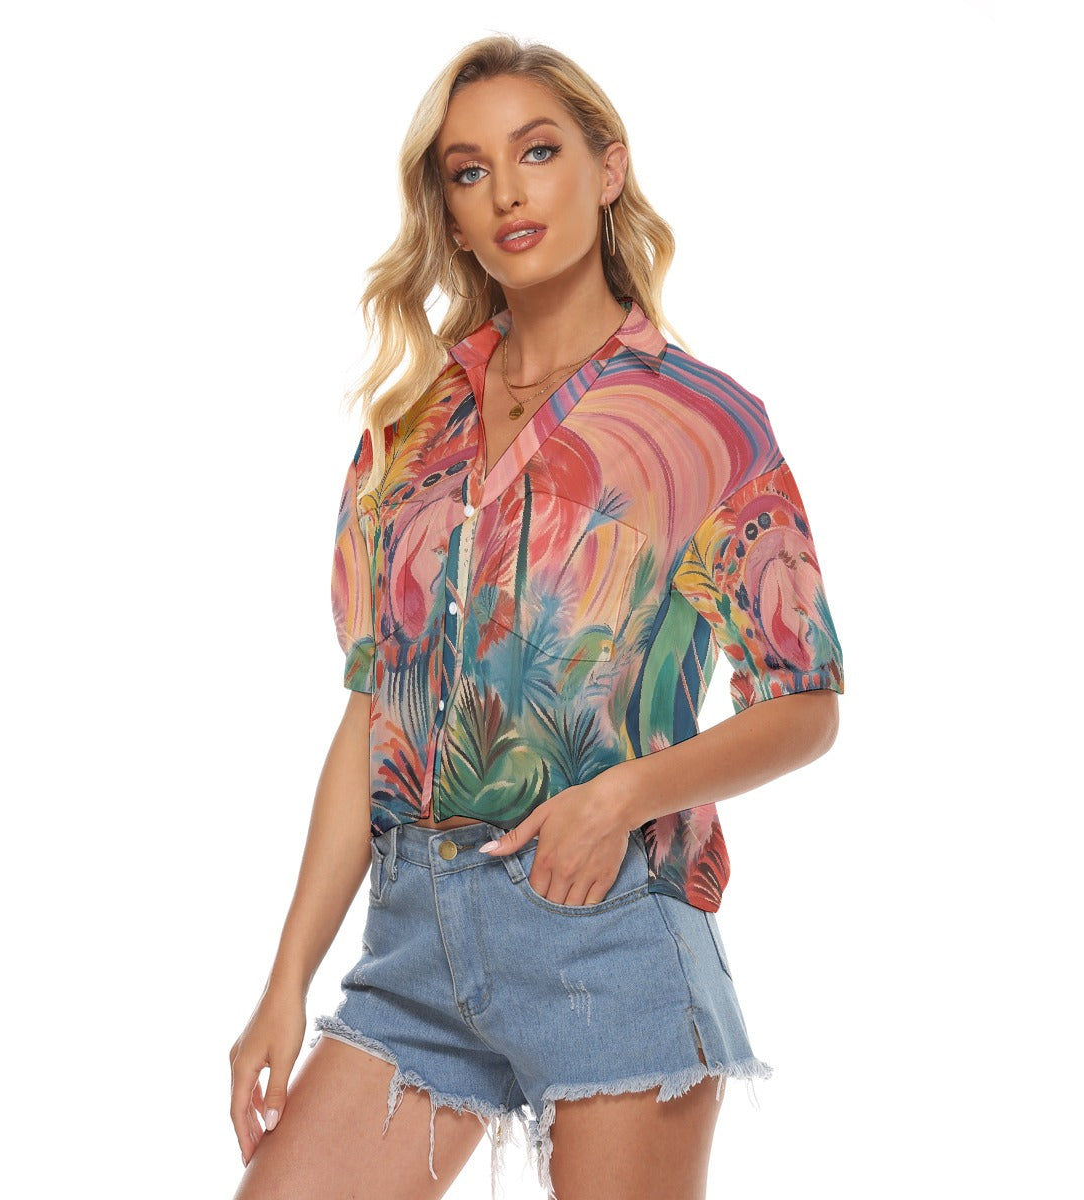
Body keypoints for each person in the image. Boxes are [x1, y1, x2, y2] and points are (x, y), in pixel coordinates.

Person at [229, 34, 844, 1200]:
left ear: (608, 170)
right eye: (469, 171)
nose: (507, 191)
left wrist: (621, 797)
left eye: (539, 151)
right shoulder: (408, 433)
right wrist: (285, 983)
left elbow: (805, 703)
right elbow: (372, 716)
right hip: (411, 951)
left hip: (608, 938)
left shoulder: (703, 424)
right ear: (453, 219)